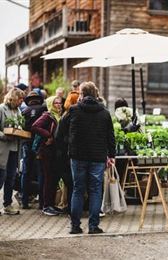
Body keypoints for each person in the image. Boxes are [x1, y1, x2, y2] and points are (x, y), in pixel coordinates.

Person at [60, 81, 115, 234]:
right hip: (98, 157)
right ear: (96, 94)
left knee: (78, 189)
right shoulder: (104, 112)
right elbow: (111, 136)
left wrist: (69, 142)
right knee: (96, 191)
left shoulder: (73, 110)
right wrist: (112, 155)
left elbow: (60, 130)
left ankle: (75, 226)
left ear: (82, 95)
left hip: (77, 156)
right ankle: (93, 226)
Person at [31, 96, 63, 216]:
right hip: (46, 151)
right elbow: (35, 126)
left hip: (54, 152)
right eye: (56, 103)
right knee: (48, 178)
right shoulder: (47, 115)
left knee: (54, 178)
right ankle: (46, 206)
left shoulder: (58, 116)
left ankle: (51, 204)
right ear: (51, 104)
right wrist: (48, 135)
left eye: (60, 103)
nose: (59, 105)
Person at [0, 88, 25, 215]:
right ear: (13, 98)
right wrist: (5, 135)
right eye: (20, 99)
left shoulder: (18, 111)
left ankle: (7, 204)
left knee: (11, 177)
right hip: (3, 149)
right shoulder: (1, 109)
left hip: (15, 148)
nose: (22, 101)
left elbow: (19, 127)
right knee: (1, 177)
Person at [21, 91, 47, 209]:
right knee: (41, 172)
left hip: (27, 144)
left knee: (26, 173)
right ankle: (42, 202)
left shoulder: (24, 111)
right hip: (40, 145)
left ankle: (24, 201)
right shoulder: (44, 109)